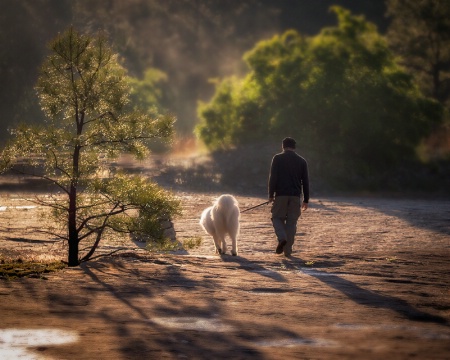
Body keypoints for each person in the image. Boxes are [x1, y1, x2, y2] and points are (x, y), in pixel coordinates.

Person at [268, 137, 309, 256]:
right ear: (294, 147)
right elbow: (305, 182)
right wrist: (306, 200)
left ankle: (282, 238)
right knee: (292, 222)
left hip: (280, 195)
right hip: (295, 196)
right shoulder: (302, 161)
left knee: (276, 218)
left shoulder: (277, 158)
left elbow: (273, 178)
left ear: (283, 146)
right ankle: (288, 251)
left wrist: (271, 195)